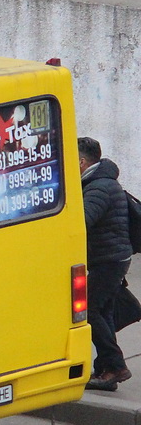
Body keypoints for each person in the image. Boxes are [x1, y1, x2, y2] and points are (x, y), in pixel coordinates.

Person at [79, 137, 133, 391]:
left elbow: (82, 222)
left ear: (81, 161)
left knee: (90, 310)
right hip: (113, 256)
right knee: (104, 312)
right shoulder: (101, 182)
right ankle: (105, 370)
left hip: (108, 259)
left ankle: (115, 366)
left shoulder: (97, 187)